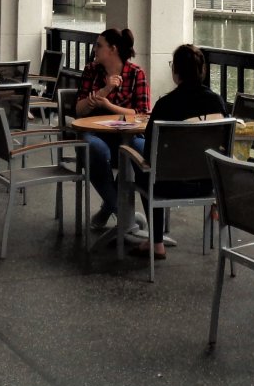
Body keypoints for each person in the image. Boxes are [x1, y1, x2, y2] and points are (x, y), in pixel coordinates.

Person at [128, 43, 226, 259]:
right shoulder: (217, 102)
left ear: (176, 72)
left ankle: (156, 242)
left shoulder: (165, 105)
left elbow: (150, 149)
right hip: (209, 184)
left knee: (141, 161)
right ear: (202, 71)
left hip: (168, 185)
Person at [75, 27, 150, 230]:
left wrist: (108, 106)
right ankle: (124, 214)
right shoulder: (91, 70)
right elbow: (80, 109)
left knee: (143, 151)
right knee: (94, 149)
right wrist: (106, 90)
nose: (94, 49)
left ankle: (113, 209)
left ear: (113, 50)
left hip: (129, 134)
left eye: (99, 45)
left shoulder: (136, 74)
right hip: (95, 134)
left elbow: (142, 113)